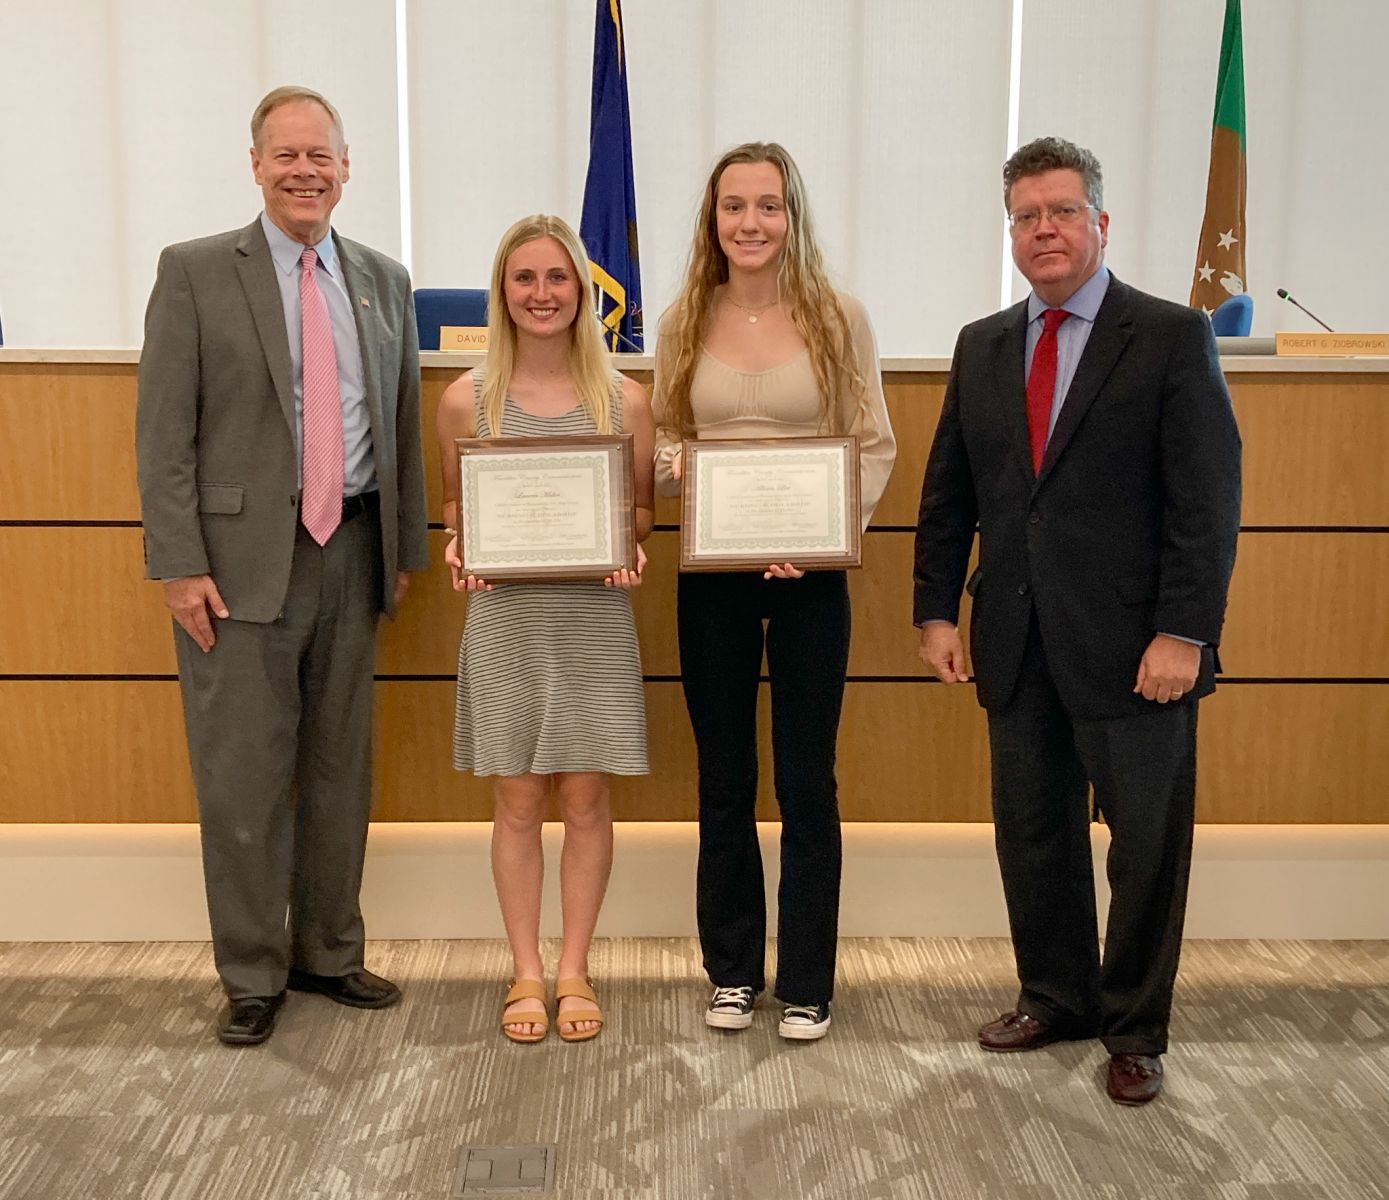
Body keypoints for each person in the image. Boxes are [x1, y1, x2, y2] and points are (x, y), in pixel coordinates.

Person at [913, 136, 1241, 1104]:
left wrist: (1186, 630)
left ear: (1103, 222)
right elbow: (949, 496)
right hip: (1015, 641)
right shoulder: (982, 345)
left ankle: (1134, 1028)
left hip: (1141, 651)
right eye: (1026, 215)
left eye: (1061, 211)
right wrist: (936, 609)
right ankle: (1056, 994)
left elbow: (1206, 503)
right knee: (1034, 833)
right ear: (1010, 230)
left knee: (1144, 848)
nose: (1043, 229)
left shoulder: (1174, 336)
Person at [135, 86, 428, 1046]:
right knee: (244, 780)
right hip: (234, 567)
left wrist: (405, 552)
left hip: (352, 550)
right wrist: (179, 564)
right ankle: (253, 972)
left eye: (322, 156)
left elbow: (403, 427)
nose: (305, 171)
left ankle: (329, 955)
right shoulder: (192, 273)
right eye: (286, 155)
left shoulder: (384, 280)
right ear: (255, 164)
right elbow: (163, 436)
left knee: (340, 770)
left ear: (347, 168)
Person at [653, 142, 896, 1041]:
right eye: (732, 207)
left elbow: (872, 443)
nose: (749, 224)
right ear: (711, 220)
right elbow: (667, 448)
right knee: (724, 778)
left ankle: (805, 980)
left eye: (767, 206)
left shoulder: (839, 318)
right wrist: (694, 474)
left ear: (792, 216)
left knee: (806, 780)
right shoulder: (682, 319)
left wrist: (825, 534)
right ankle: (730, 972)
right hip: (708, 579)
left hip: (810, 584)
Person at [437, 215, 654, 1044]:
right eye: (523, 279)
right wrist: (463, 544)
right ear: (503, 292)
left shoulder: (623, 400)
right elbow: (457, 506)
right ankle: (526, 967)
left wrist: (627, 547)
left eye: (557, 278)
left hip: (592, 616)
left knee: (589, 796)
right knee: (518, 798)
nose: (541, 294)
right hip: (506, 618)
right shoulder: (466, 399)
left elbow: (637, 512)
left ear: (582, 291)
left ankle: (575, 969)